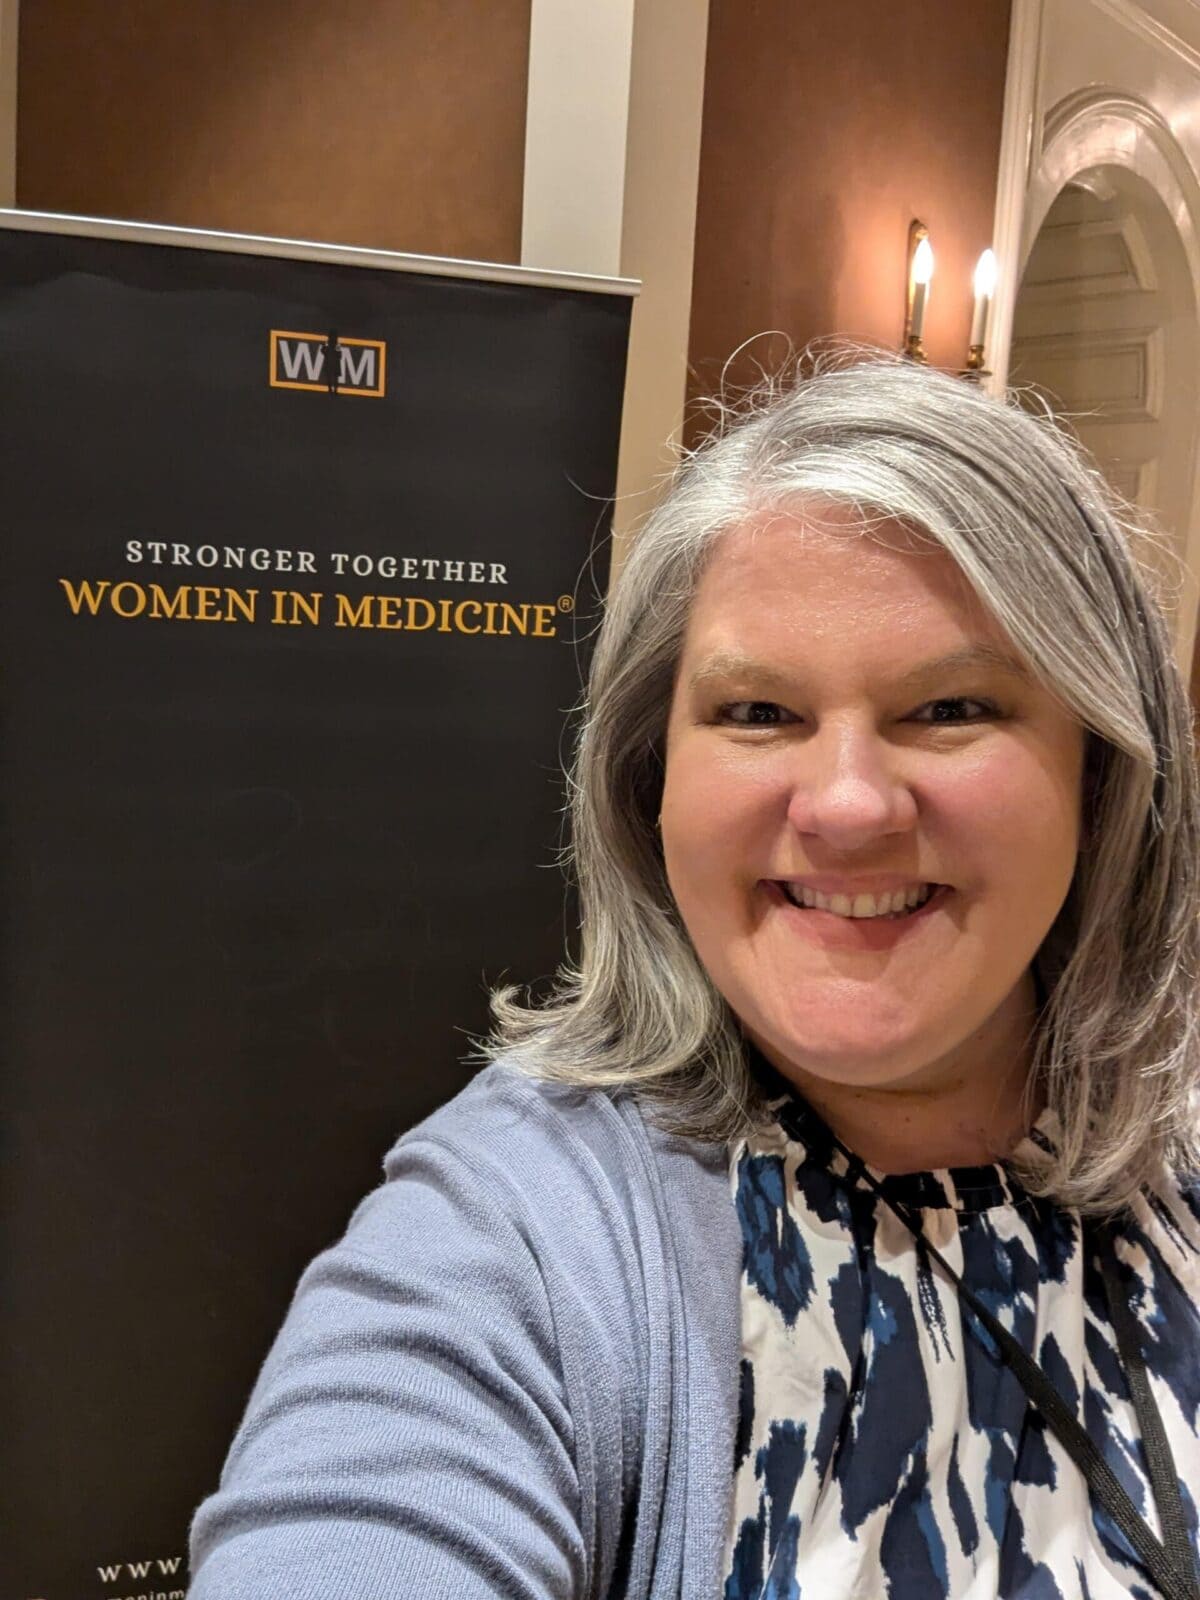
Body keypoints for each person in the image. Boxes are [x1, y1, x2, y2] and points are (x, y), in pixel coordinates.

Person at [188, 353, 1200, 1600]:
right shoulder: (508, 1244)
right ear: (646, 778)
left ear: (1102, 775)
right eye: (759, 712)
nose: (844, 805)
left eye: (948, 707)